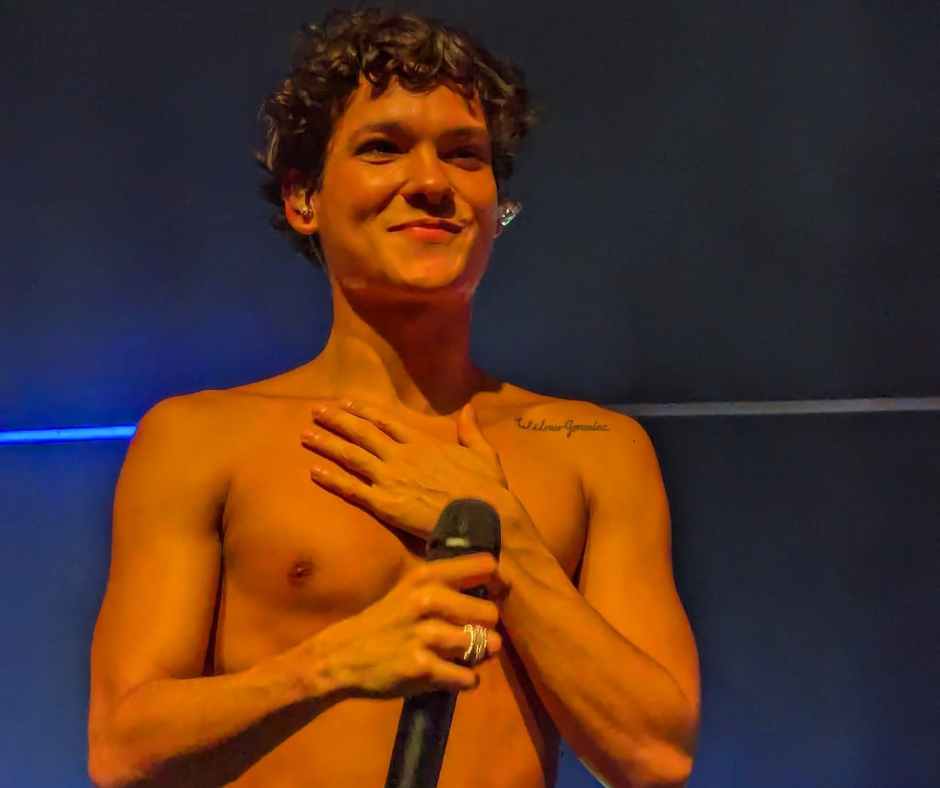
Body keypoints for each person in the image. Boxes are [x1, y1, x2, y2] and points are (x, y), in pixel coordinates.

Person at [87, 8, 699, 788]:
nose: (432, 183)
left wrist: (508, 539)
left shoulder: (594, 449)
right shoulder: (198, 438)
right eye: (383, 148)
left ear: (494, 204)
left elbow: (656, 756)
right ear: (304, 199)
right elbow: (123, 751)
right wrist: (333, 663)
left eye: (464, 154)